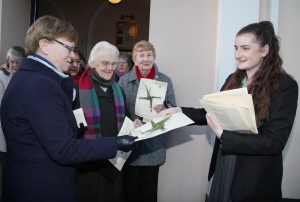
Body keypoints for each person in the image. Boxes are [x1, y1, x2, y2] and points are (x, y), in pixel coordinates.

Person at [0, 15, 136, 202]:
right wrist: (116, 143)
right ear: (45, 45)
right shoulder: (41, 85)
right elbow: (64, 149)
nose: (73, 55)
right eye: (68, 48)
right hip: (43, 189)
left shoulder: (28, 77)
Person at [157, 21, 298, 201]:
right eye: (236, 48)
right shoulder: (234, 79)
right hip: (225, 162)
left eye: (245, 48)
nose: (238, 55)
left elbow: (274, 142)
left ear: (264, 50)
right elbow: (210, 112)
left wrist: (224, 135)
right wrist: (178, 111)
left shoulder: (285, 85)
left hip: (253, 174)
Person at [73, 41, 142, 202]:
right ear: (93, 63)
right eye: (105, 63)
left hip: (114, 162)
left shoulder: (118, 90)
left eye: (113, 64)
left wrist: (133, 125)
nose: (110, 68)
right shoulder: (76, 91)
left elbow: (123, 119)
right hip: (88, 166)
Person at [118, 40, 176, 202]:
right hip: (132, 142)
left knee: (149, 194)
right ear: (135, 60)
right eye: (141, 55)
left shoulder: (165, 80)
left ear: (154, 57)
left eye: (149, 55)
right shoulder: (123, 81)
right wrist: (130, 122)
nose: (146, 59)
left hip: (154, 144)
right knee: (130, 191)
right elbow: (118, 111)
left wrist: (165, 108)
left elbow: (173, 107)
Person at [0, 46, 25, 200]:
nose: (15, 65)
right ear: (7, 62)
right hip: (4, 130)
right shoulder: (2, 75)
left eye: (18, 62)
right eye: (12, 62)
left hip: (21, 131)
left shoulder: (24, 76)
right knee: (6, 168)